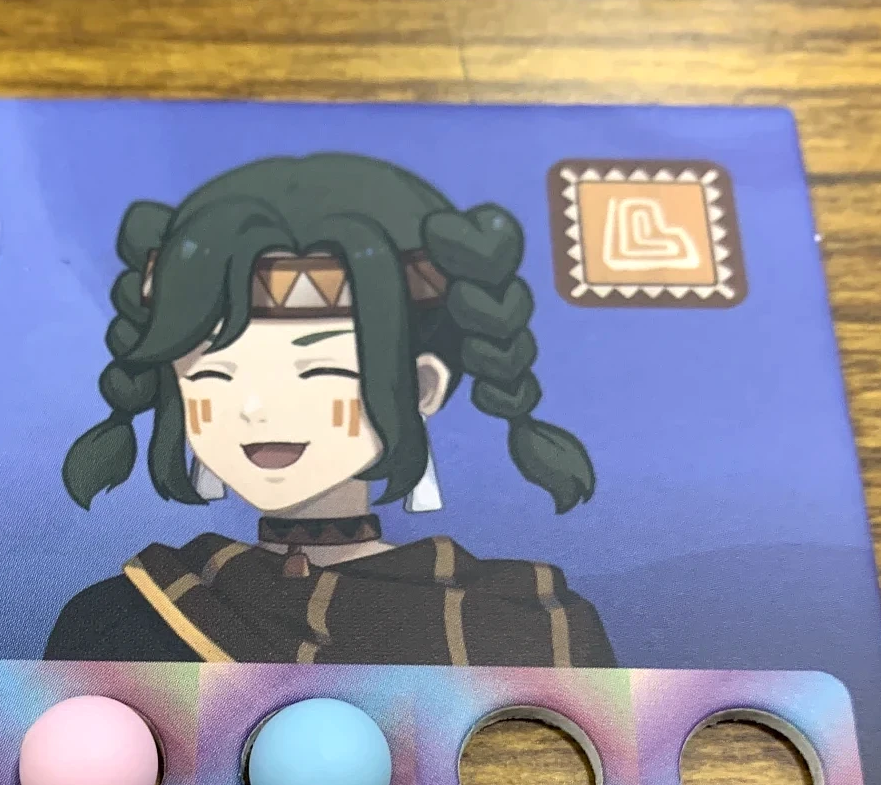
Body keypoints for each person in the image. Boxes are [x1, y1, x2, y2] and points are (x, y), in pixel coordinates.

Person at [47, 153, 613, 667]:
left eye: (315, 373)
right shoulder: (121, 618)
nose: (254, 410)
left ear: (422, 388)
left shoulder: (524, 624)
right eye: (214, 376)